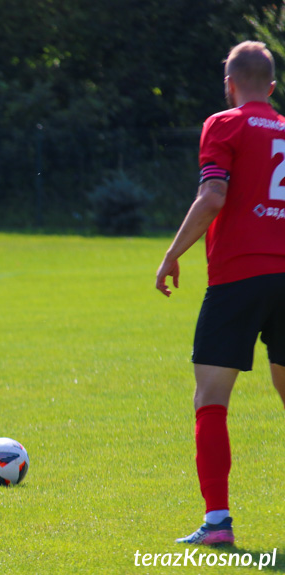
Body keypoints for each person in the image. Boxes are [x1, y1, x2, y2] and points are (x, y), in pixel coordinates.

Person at [156, 41, 285, 546]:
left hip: (238, 277)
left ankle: (217, 524)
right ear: (271, 87)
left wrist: (172, 254)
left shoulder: (224, 123)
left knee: (210, 398)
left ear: (230, 85)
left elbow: (213, 195)